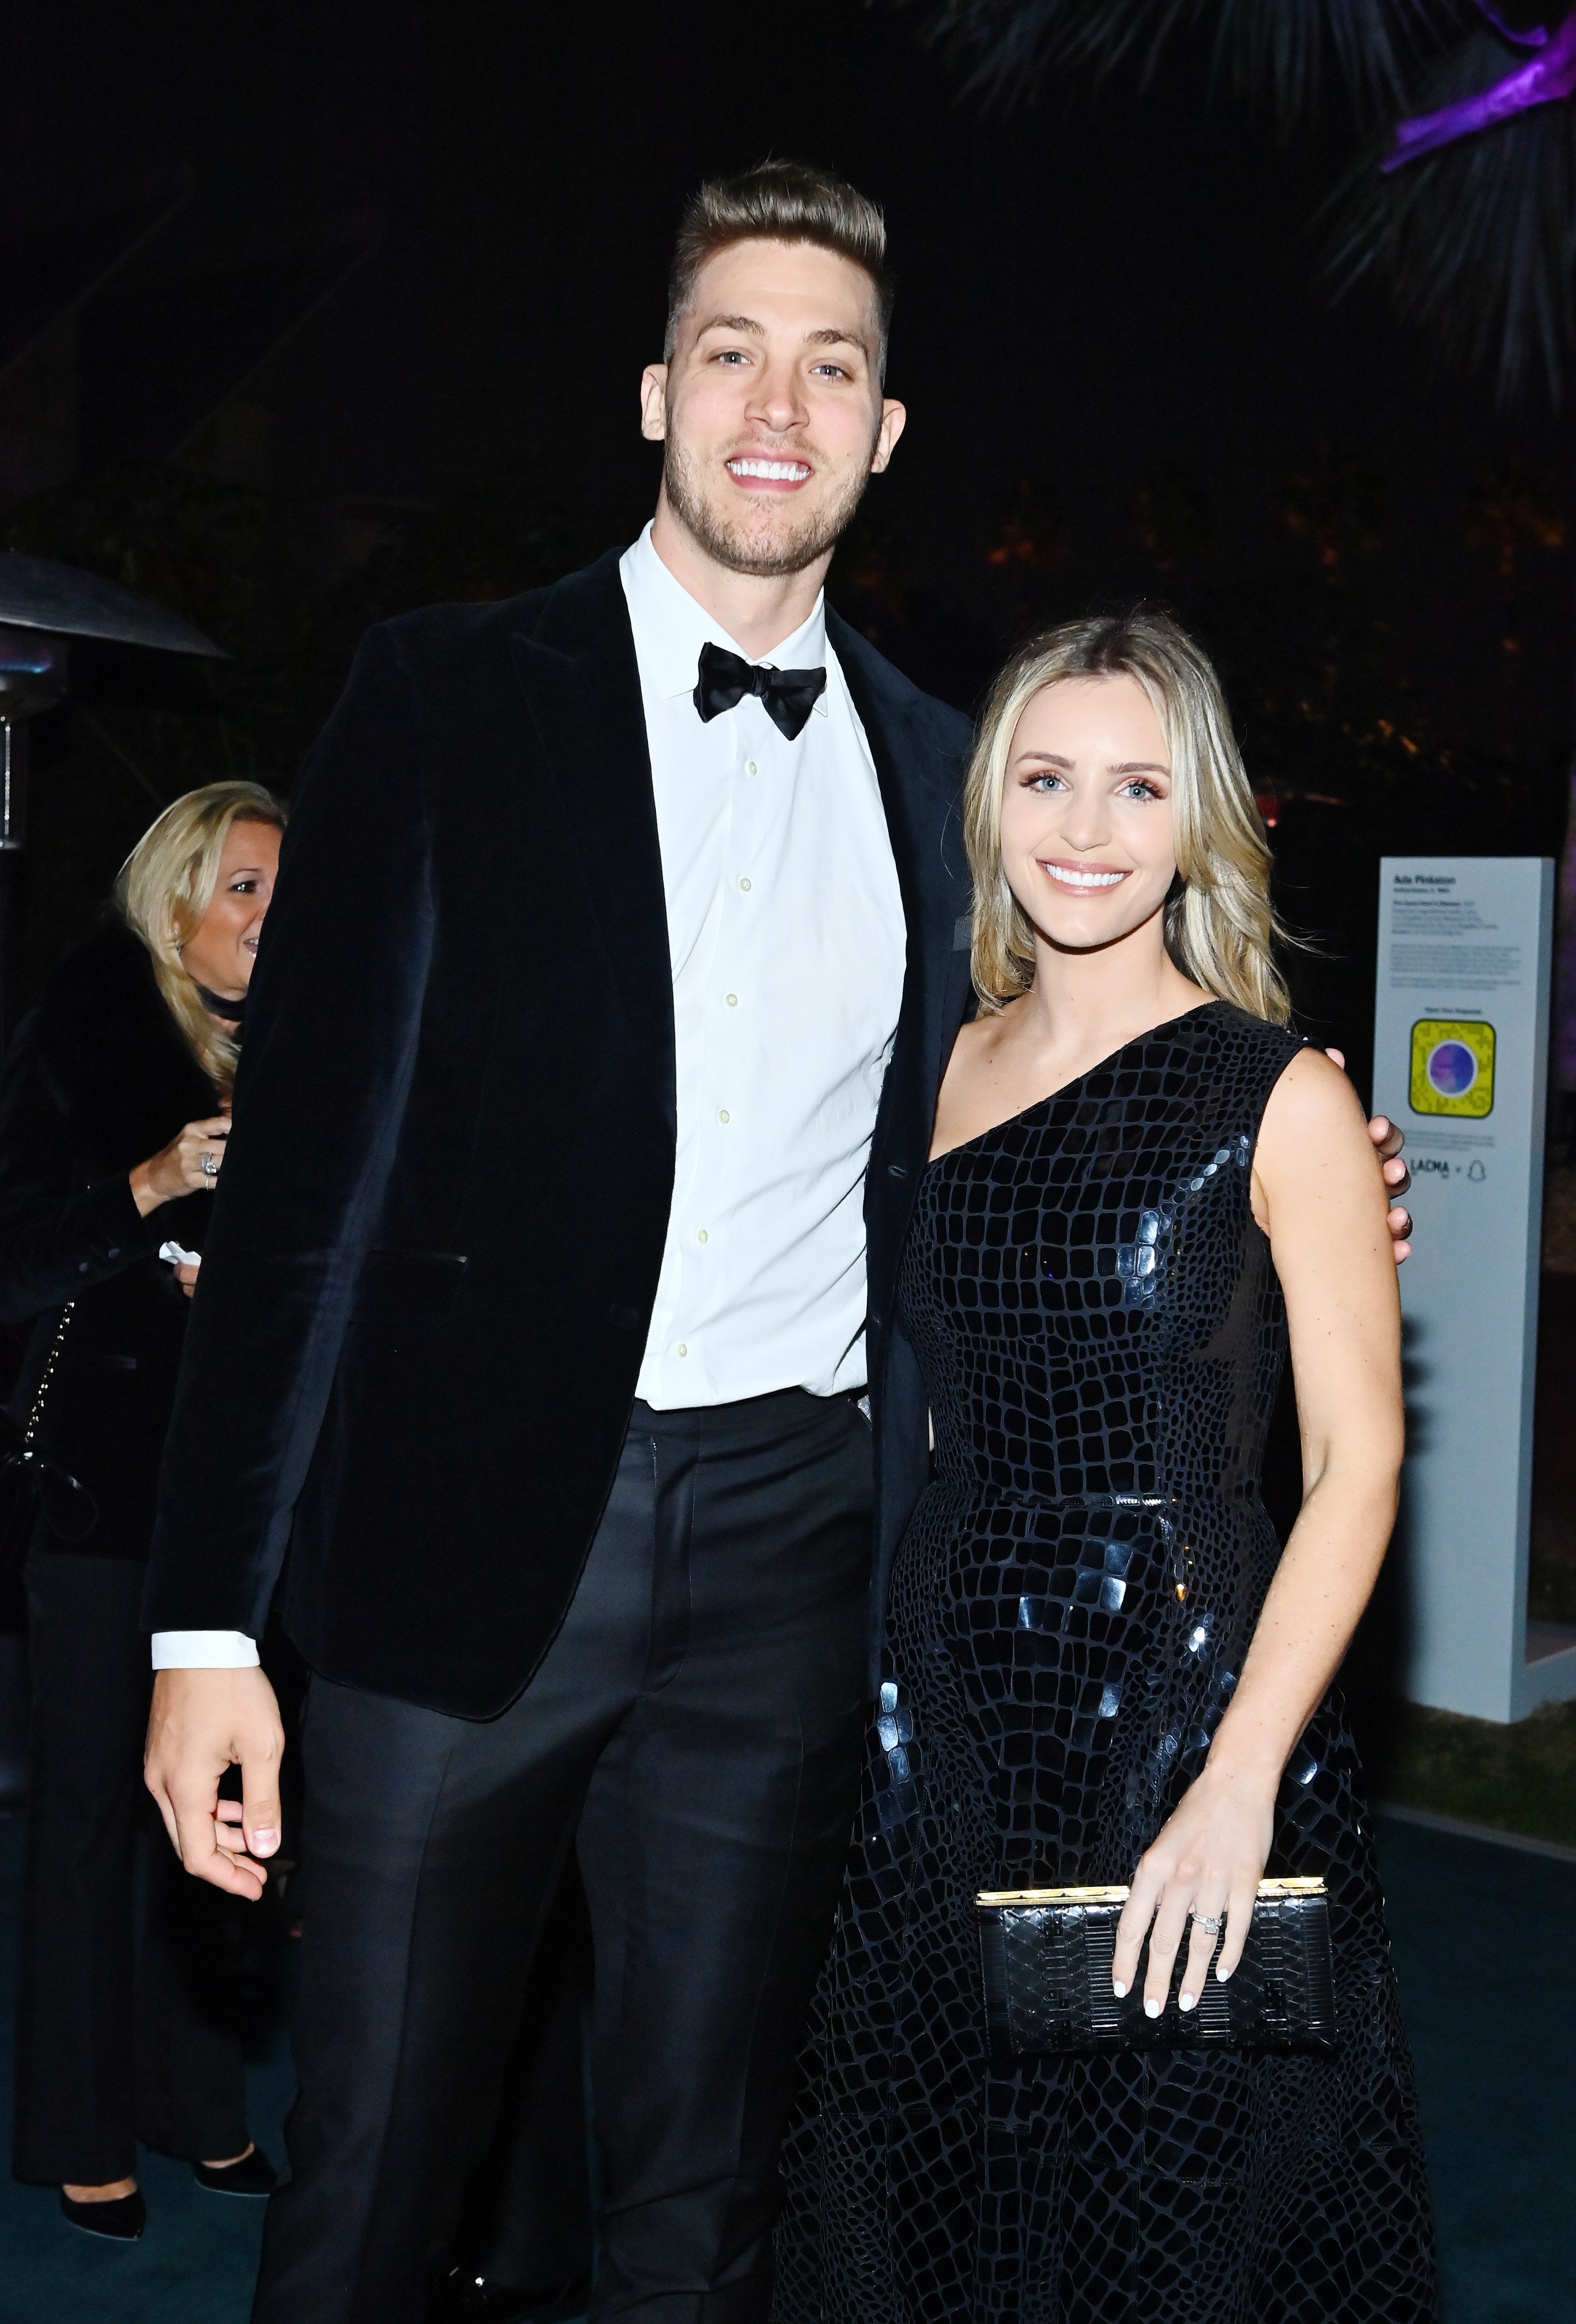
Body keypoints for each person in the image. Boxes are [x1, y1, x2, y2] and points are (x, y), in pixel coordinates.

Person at [139, 164, 1412, 2324]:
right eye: (730, 348)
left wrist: (1289, 1161)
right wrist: (201, 1635)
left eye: (832, 364)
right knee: (365, 2177)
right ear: (656, 389)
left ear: (884, 430)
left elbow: (1050, 1096)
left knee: (714, 2194)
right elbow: (301, 1207)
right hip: (460, 1565)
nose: (775, 401)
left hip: (802, 1564)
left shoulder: (950, 778)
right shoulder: (441, 695)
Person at [773, 615, 1435, 2321]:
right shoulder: (944, 1060)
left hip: (1181, 1706)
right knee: (924, 2188)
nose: (1086, 828)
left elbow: (1358, 1469)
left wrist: (1238, 1778)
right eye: (1049, 779)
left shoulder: (1278, 1093)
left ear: (1201, 818)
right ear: (991, 803)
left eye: (1138, 786)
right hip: (948, 1710)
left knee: (1164, 2218)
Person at [2, 782, 284, 2241]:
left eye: (283, 891)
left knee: (226, 1809)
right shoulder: (87, 1032)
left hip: (235, 1501)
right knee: (87, 1817)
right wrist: (153, 1184)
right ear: (173, 898)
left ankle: (198, 2105)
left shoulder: (293, 1048)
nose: (268, 917)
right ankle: (76, 2126)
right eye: (243, 888)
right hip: (102, 1488)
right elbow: (18, 1257)